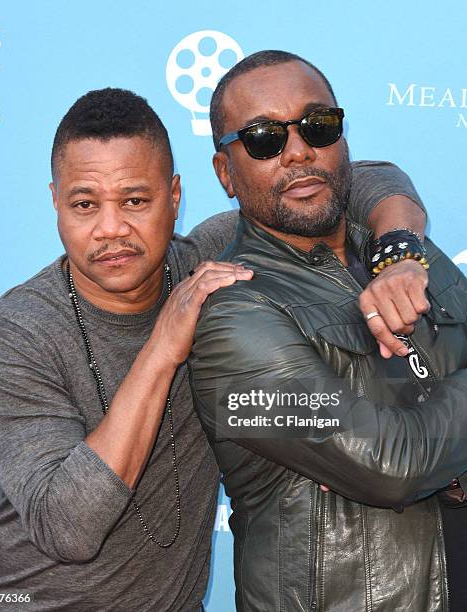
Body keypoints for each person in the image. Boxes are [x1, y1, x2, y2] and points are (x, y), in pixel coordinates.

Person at [0, 87, 428, 611]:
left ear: (175, 196)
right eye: (85, 204)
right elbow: (68, 528)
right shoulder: (13, 331)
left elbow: (362, 180)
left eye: (135, 201)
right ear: (56, 201)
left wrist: (399, 253)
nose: (111, 228)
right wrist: (163, 347)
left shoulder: (210, 260)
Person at [189, 51, 467, 612]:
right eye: (264, 138)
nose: (298, 151)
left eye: (318, 126)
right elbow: (390, 467)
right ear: (225, 173)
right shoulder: (229, 318)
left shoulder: (406, 256)